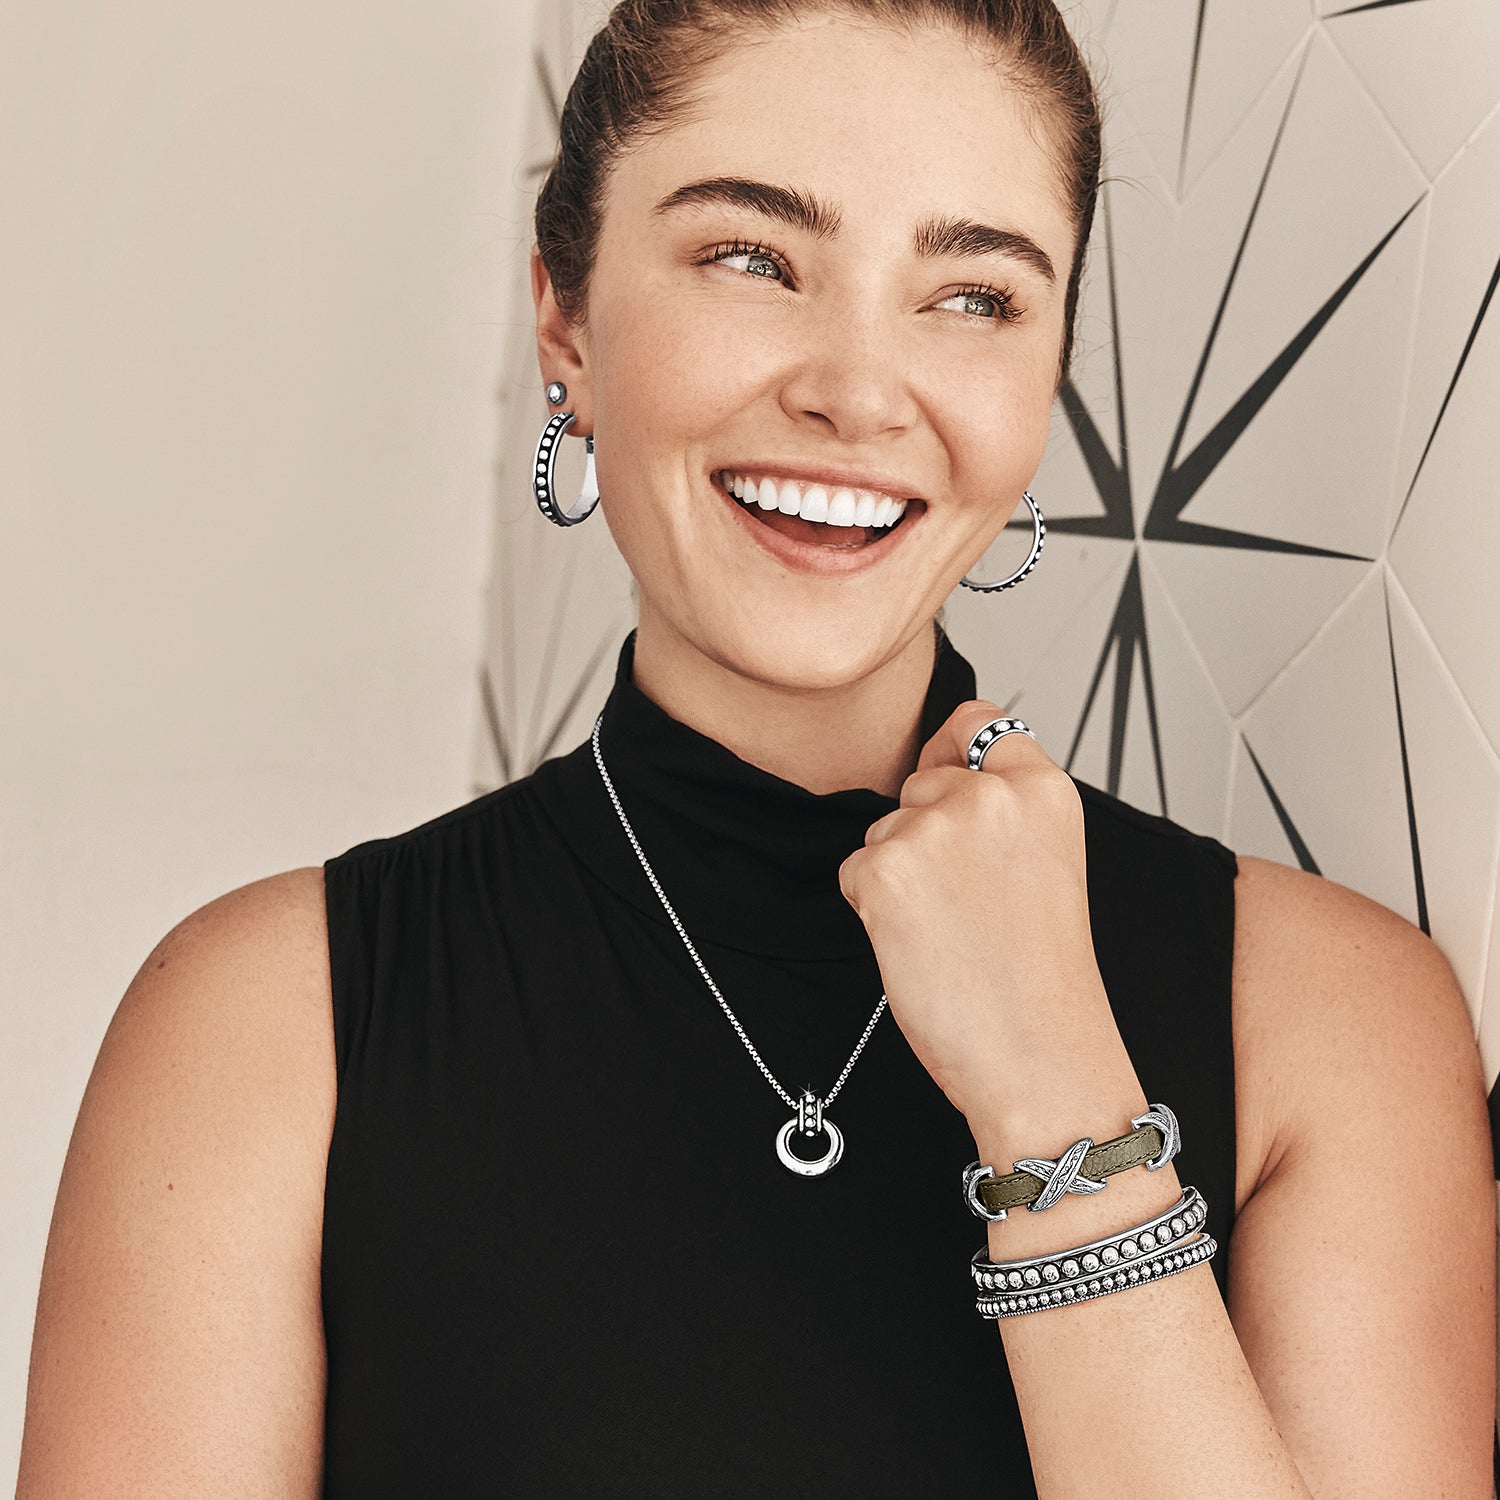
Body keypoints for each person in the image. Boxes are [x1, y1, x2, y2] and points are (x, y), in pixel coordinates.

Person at [18, 0, 1496, 1494]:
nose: (857, 393)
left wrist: (1056, 1088)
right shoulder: (267, 1028)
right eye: (752, 258)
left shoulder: (1327, 1025)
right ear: (566, 322)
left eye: (973, 295)